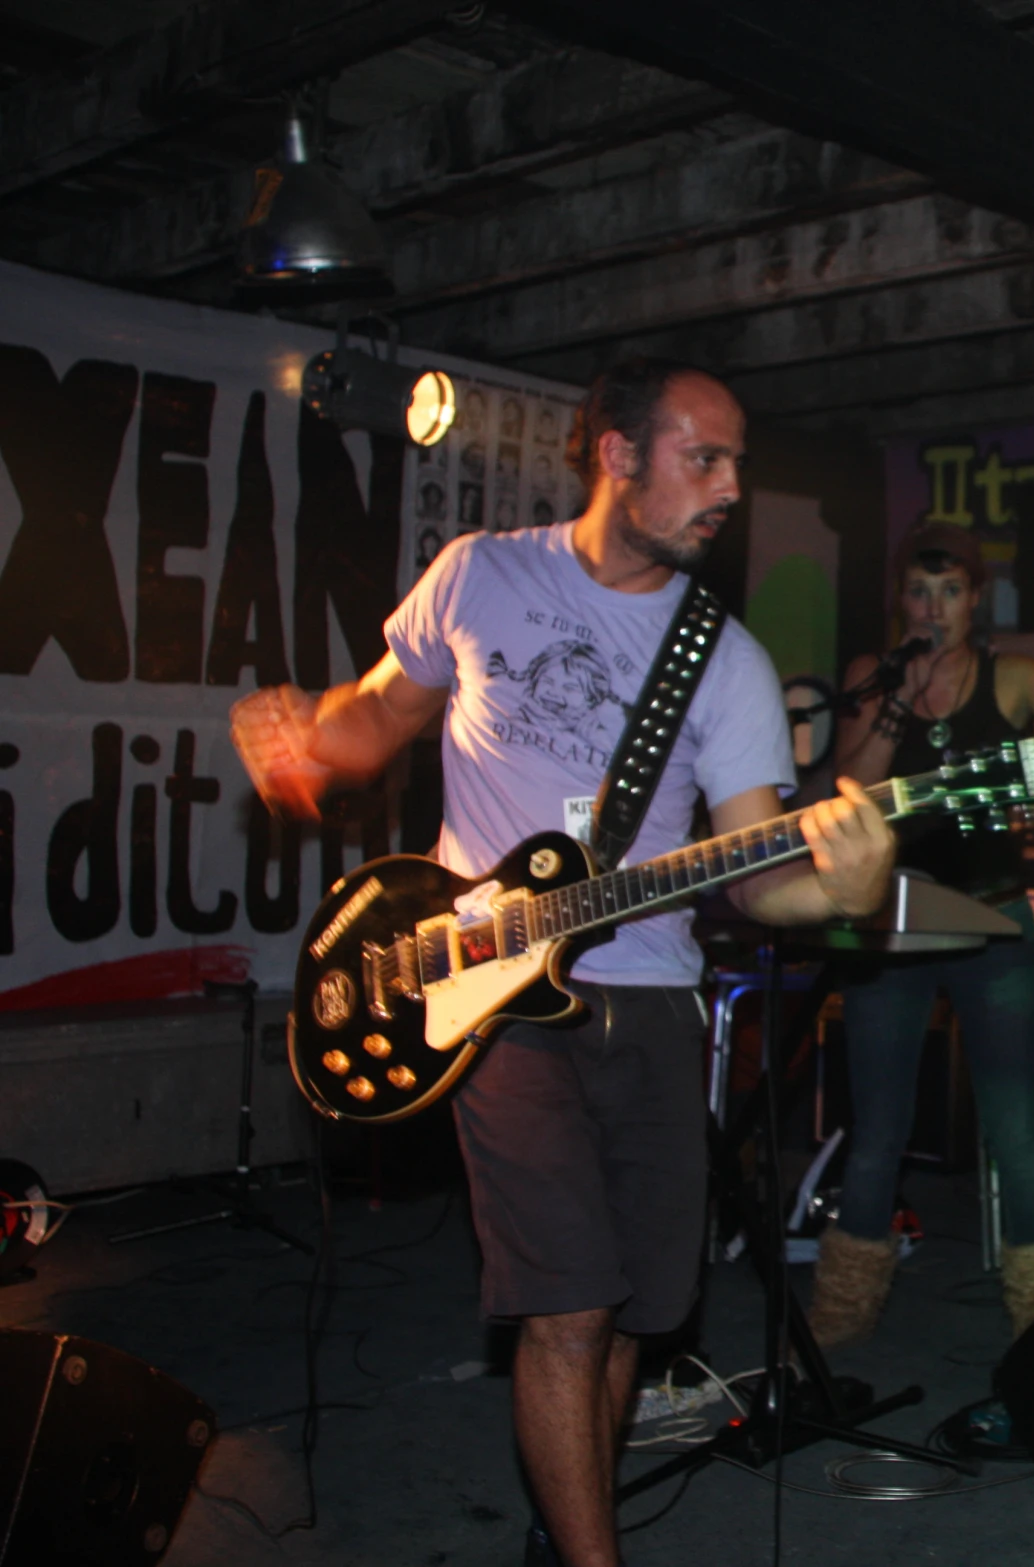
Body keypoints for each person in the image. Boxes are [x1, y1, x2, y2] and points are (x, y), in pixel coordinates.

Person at [230, 358, 895, 1567]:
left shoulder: (726, 659)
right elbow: (375, 716)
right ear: (619, 456)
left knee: (640, 1305)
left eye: (738, 463)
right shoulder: (482, 575)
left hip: (651, 1005)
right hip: (491, 1001)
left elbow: (754, 875)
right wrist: (300, 740)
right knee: (568, 1304)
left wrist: (842, 892)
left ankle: (562, 1523)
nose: (731, 487)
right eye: (707, 458)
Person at [812, 522, 1034, 1348]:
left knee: (1013, 1123)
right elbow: (844, 782)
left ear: (975, 598)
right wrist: (897, 693)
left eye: (950, 591)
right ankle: (842, 1308)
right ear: (901, 601)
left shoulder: (1012, 676)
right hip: (889, 925)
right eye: (920, 593)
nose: (935, 608)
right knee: (880, 1122)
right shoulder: (869, 677)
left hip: (994, 918)